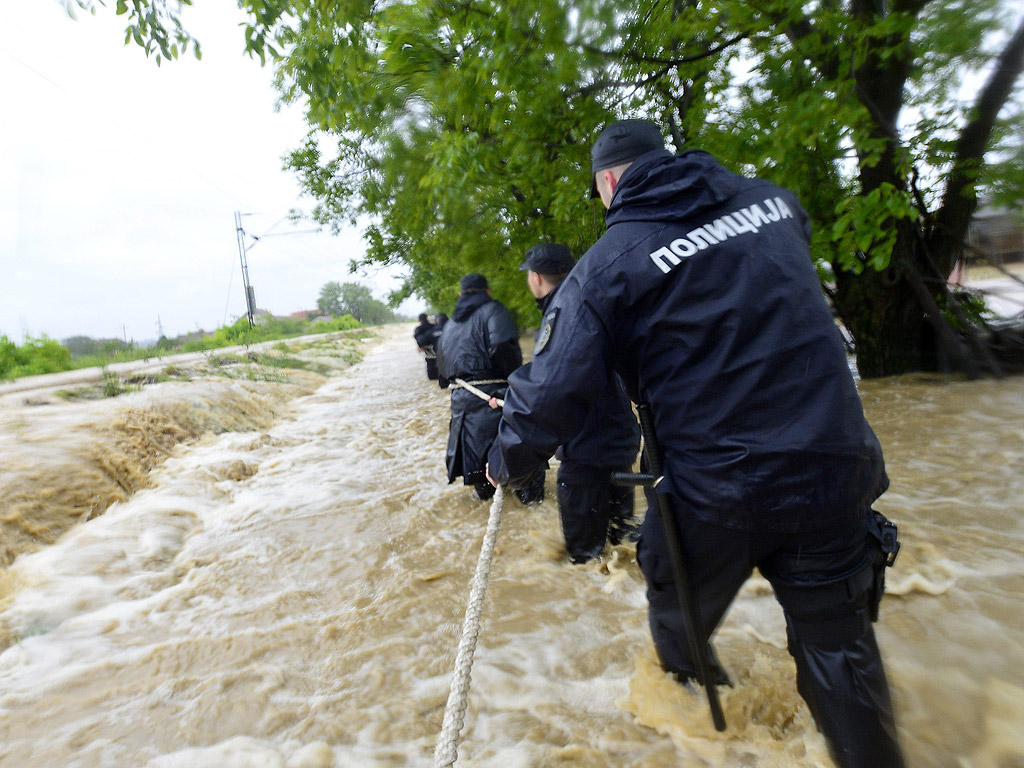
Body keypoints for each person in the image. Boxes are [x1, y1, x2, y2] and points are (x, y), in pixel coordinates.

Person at [487, 119, 905, 768]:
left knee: (672, 593)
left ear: (607, 182)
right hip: (835, 468)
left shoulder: (605, 268)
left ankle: (694, 709)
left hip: (720, 492)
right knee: (840, 652)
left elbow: (552, 392)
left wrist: (503, 460)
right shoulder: (776, 203)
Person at [519, 242, 641, 563]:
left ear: (536, 277)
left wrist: (514, 458)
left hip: (585, 458)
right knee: (621, 552)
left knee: (586, 563)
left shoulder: (559, 317)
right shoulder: (596, 303)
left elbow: (553, 396)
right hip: (620, 448)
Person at [436, 273, 544, 503]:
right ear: (487, 292)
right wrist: (515, 380)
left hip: (463, 404)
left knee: (482, 484)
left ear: (460, 294)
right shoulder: (494, 310)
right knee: (527, 480)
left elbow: (443, 370)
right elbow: (503, 346)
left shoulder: (450, 324)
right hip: (495, 398)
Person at [413, 313, 439, 379]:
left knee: (431, 372)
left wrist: (419, 346)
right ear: (427, 318)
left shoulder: (418, 329)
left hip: (428, 350)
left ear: (419, 320)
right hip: (438, 348)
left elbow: (417, 339)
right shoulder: (435, 326)